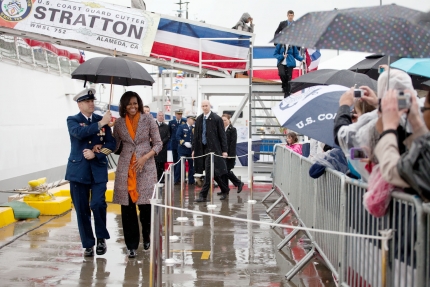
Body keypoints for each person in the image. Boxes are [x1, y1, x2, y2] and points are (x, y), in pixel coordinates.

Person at [65, 88, 116, 257]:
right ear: (80, 104)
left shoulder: (102, 121)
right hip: (78, 171)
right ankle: (88, 244)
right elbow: (79, 134)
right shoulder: (73, 120)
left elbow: (112, 145)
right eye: (87, 101)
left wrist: (98, 153)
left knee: (98, 204)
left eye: (92, 101)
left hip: (98, 169)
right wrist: (101, 123)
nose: (91, 104)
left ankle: (101, 238)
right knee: (82, 209)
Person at [112, 91, 163, 258]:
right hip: (126, 168)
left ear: (139, 103)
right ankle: (131, 245)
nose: (132, 107)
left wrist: (145, 157)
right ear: (124, 106)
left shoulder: (148, 119)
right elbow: (116, 147)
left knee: (145, 206)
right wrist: (107, 130)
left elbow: (158, 144)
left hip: (146, 168)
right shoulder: (119, 123)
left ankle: (147, 236)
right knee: (127, 209)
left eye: (135, 103)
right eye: (129, 104)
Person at [192, 100, 230, 201]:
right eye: (203, 106)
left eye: (206, 106)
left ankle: (203, 195)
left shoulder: (216, 119)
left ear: (210, 106)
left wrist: (224, 150)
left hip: (213, 150)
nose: (205, 108)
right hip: (202, 150)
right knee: (214, 172)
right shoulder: (199, 119)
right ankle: (225, 189)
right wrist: (193, 150)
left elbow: (222, 136)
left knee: (208, 173)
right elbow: (196, 136)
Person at [217, 114, 244, 195]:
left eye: (225, 120)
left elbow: (233, 143)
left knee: (226, 171)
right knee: (223, 172)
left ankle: (238, 183)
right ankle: (225, 189)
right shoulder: (220, 129)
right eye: (222, 120)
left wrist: (229, 155)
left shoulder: (232, 130)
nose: (223, 122)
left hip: (228, 155)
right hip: (221, 154)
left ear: (229, 120)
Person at [175, 115, 196, 185]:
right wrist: (184, 143)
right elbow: (177, 136)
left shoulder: (194, 128)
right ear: (188, 119)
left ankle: (191, 181)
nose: (193, 121)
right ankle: (176, 179)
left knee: (191, 166)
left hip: (191, 150)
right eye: (192, 120)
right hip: (182, 149)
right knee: (179, 165)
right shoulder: (182, 127)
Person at [154, 111, 170, 183]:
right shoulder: (153, 125)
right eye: (159, 115)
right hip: (154, 148)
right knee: (155, 165)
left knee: (161, 165)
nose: (161, 117)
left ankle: (161, 179)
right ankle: (155, 179)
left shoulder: (166, 126)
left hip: (163, 149)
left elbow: (168, 136)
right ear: (157, 116)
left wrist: (161, 143)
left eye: (162, 115)